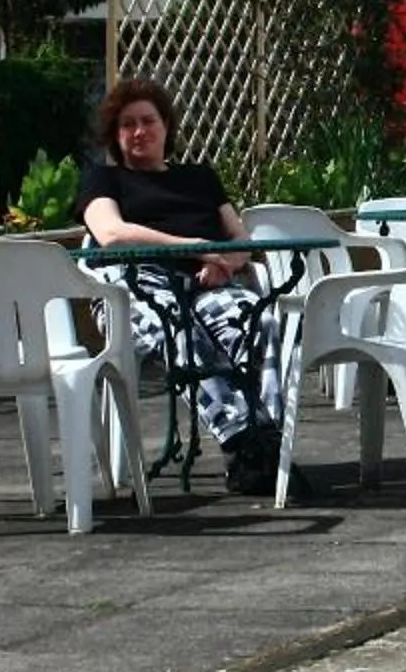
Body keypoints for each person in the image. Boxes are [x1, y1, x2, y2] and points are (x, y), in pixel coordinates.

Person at [75, 78, 284, 495]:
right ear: (115, 136)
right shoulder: (103, 180)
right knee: (180, 332)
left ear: (166, 126)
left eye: (148, 121)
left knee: (258, 322)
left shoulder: (200, 178)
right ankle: (248, 441)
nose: (139, 131)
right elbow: (111, 234)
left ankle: (265, 439)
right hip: (135, 285)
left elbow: (242, 239)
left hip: (208, 283)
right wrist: (197, 247)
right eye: (127, 124)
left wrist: (225, 263)